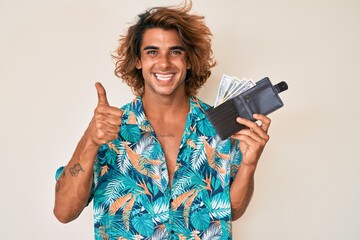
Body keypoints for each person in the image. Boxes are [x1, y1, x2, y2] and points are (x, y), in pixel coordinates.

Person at [53, 1, 271, 239]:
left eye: (175, 51)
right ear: (138, 60)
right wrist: (90, 141)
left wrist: (249, 164)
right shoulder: (108, 129)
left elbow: (231, 211)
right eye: (152, 51)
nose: (164, 63)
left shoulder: (220, 125)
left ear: (189, 60)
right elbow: (64, 212)